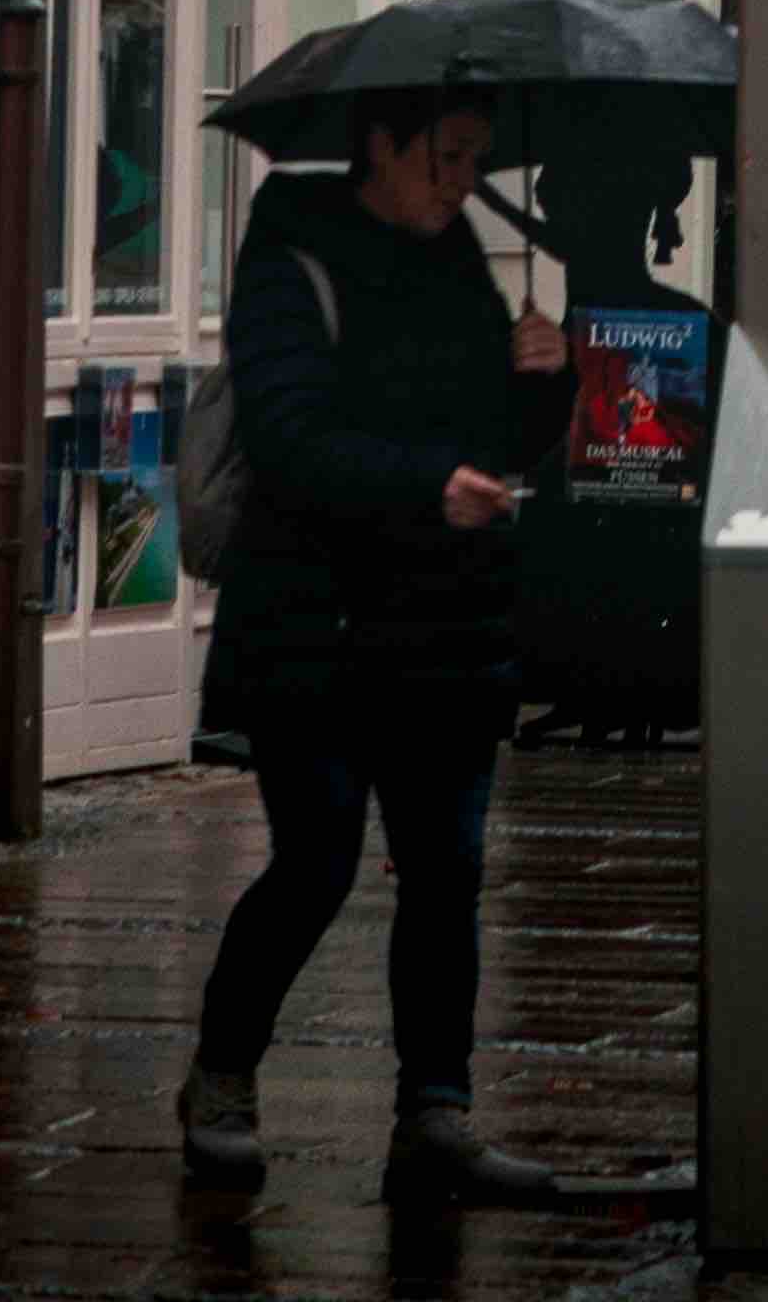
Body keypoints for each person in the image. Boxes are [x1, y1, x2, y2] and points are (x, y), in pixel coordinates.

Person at [180, 86, 575, 1207]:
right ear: (381, 147)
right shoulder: (291, 254)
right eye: (446, 158)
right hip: (316, 625)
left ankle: (435, 1117)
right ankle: (221, 1077)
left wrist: (544, 383)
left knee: (446, 874)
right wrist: (420, 490)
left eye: (476, 160)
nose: (462, 184)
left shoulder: (458, 262)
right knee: (317, 863)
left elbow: (498, 439)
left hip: (448, 627)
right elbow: (292, 437)